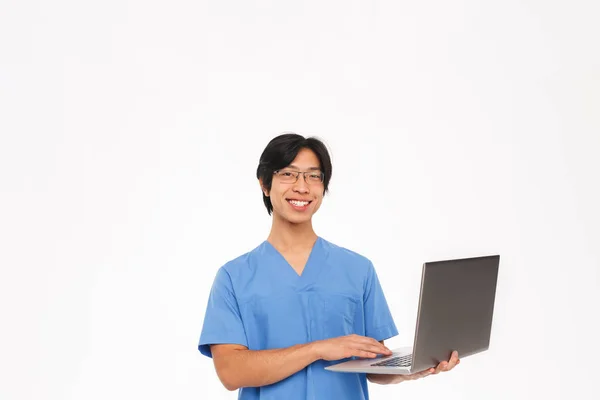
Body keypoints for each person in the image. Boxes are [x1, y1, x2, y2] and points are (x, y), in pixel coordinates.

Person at [198, 133, 459, 399]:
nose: (302, 187)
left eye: (314, 176)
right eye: (289, 174)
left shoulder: (358, 270)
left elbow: (372, 365)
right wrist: (318, 349)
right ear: (265, 184)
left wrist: (414, 368)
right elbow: (231, 372)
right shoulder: (234, 277)